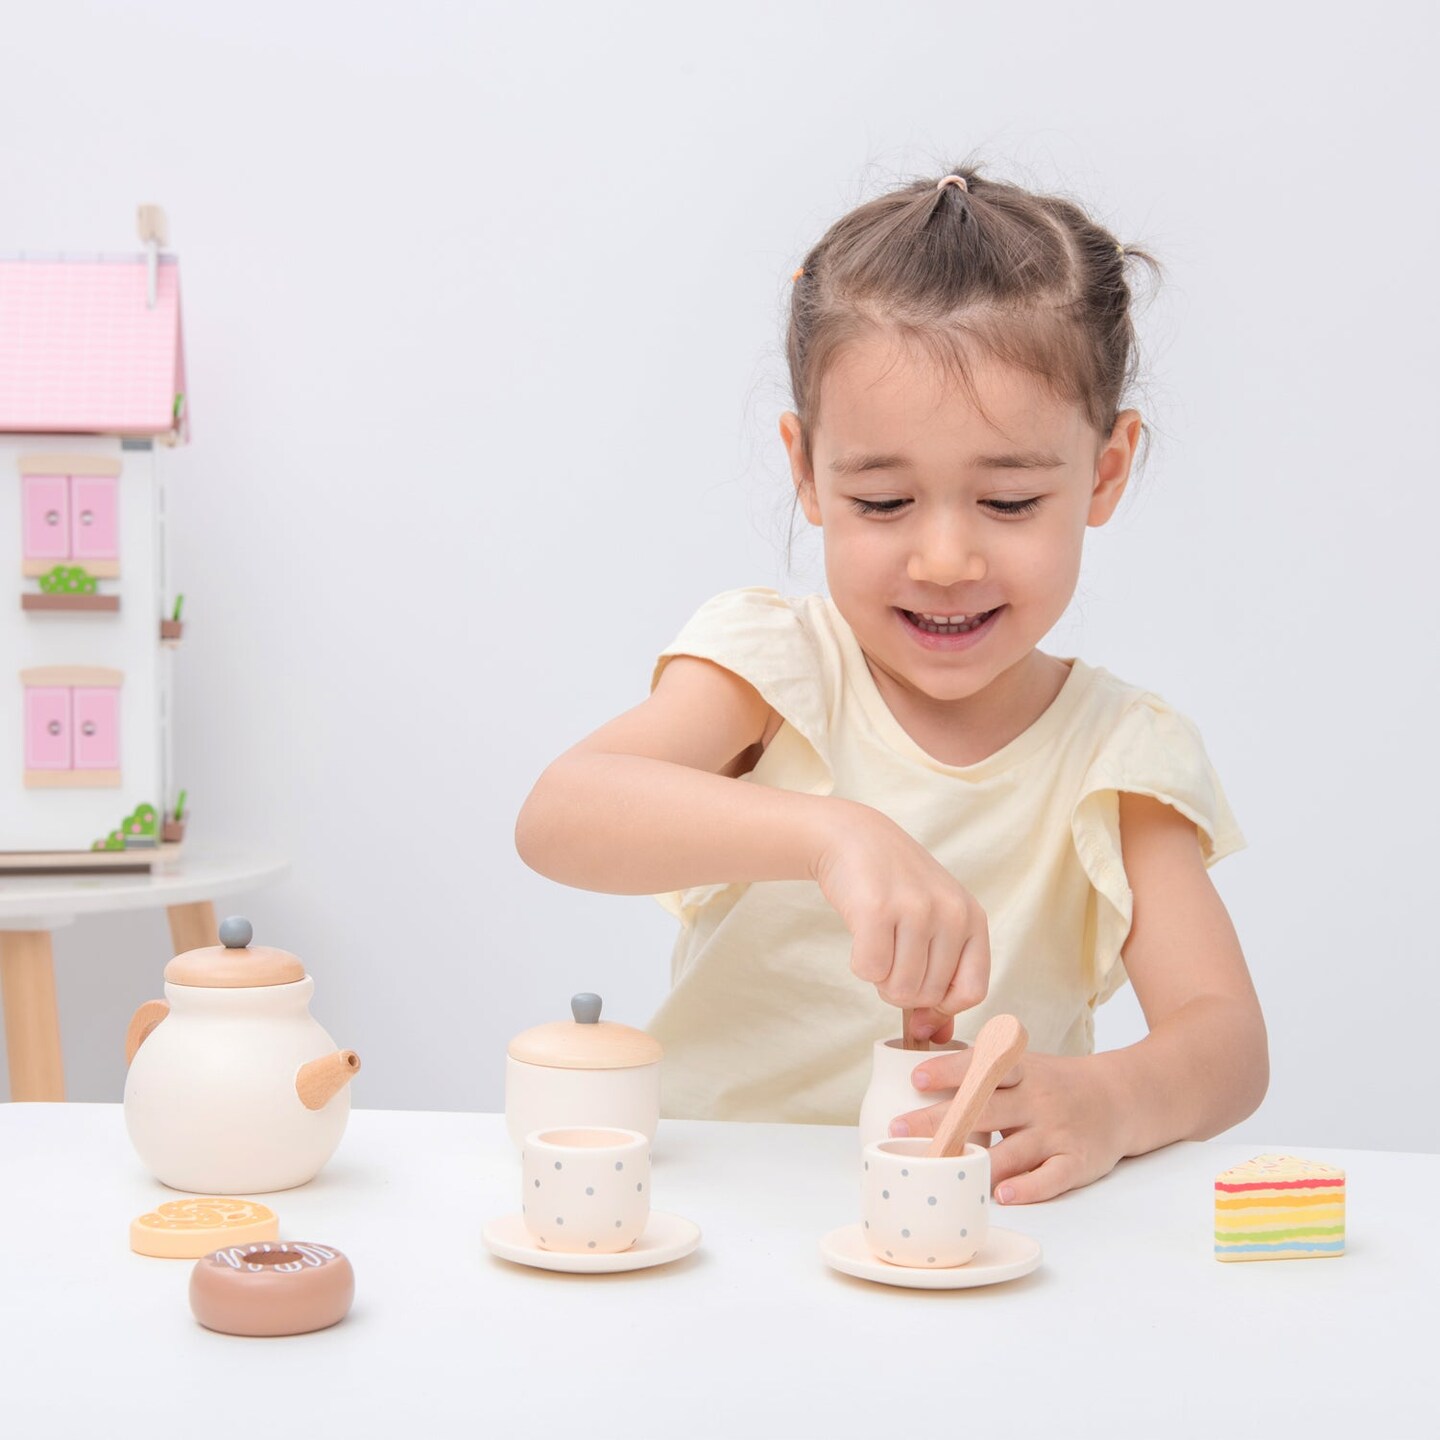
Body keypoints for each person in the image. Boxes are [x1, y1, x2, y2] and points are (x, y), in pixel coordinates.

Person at [515, 162, 1268, 1205]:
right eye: (882, 501)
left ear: (1104, 471)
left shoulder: (1117, 754)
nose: (947, 558)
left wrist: (1114, 1100)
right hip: (713, 1219)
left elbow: (1226, 1040)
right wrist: (837, 835)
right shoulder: (775, 673)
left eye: (1007, 502)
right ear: (806, 471)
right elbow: (560, 815)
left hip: (970, 1236)